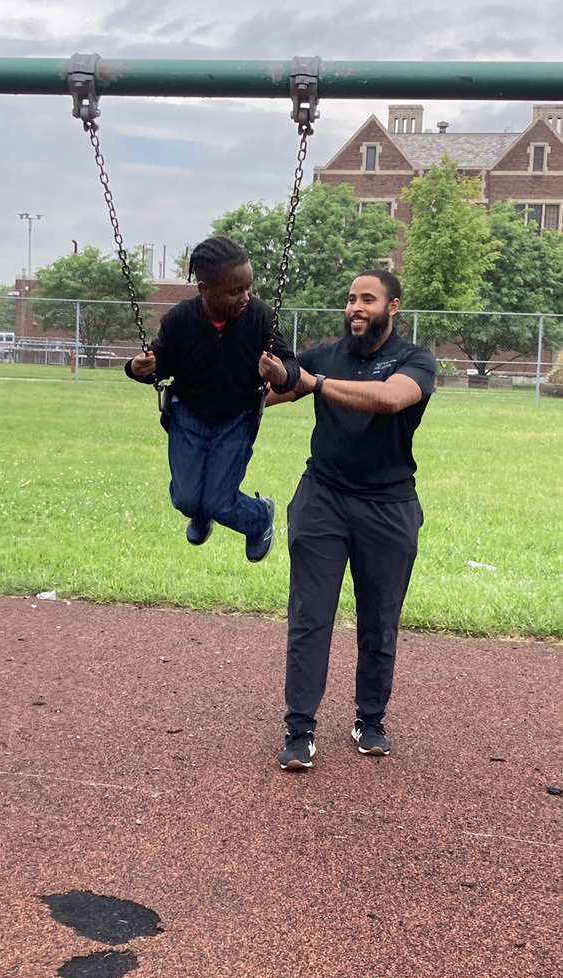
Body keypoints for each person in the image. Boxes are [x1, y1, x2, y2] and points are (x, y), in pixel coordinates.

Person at [266, 269, 436, 770]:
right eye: (350, 299)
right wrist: (232, 390)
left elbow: (390, 399)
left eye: (367, 299)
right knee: (310, 616)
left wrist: (313, 383)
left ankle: (371, 719)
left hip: (389, 506)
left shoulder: (414, 360)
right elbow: (273, 392)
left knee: (379, 620)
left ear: (393, 306)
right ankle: (299, 730)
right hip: (323, 499)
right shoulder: (324, 355)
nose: (355, 307)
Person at [125, 236, 300, 562]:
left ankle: (259, 517)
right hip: (188, 413)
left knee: (221, 501)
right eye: (235, 291)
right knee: (187, 501)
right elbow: (159, 363)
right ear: (205, 289)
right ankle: (199, 512)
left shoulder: (261, 317)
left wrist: (280, 374)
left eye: (248, 287)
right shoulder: (180, 320)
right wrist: (139, 368)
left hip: (237, 416)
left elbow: (291, 366)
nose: (245, 297)